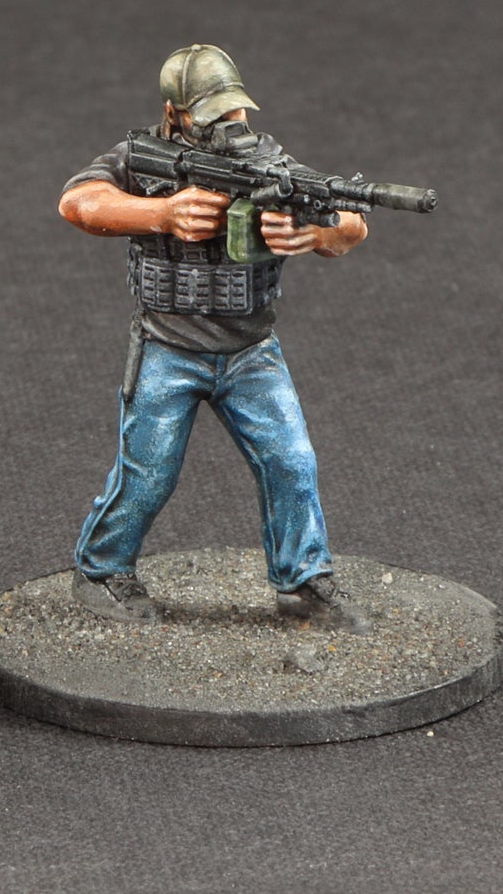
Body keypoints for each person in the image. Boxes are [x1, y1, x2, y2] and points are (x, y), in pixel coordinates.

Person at [58, 44, 370, 632]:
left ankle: (303, 579)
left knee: (291, 461)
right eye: (212, 115)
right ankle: (101, 570)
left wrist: (313, 234)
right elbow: (77, 201)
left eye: (234, 110)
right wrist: (162, 214)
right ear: (173, 114)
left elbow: (349, 220)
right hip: (168, 345)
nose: (231, 125)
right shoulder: (139, 157)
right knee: (149, 472)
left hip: (251, 349)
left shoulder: (268, 159)